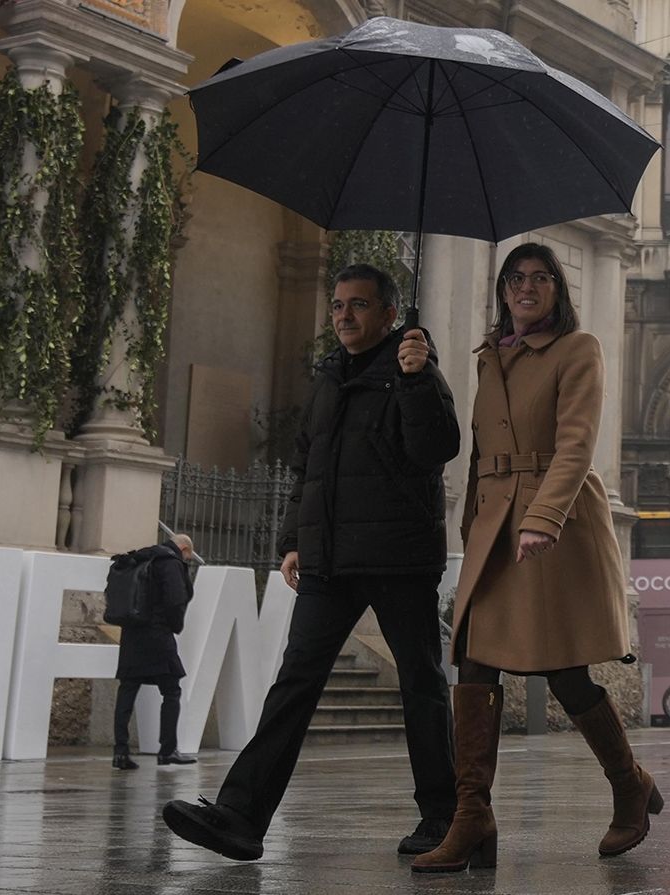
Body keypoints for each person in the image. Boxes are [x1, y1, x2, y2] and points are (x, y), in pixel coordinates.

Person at [162, 264, 462, 862]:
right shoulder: (329, 377)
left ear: (389, 314)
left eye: (358, 305)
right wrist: (294, 539)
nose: (344, 315)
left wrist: (415, 381)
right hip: (329, 559)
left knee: (421, 684)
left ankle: (445, 817)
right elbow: (308, 467)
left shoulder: (416, 370)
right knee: (294, 682)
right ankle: (241, 818)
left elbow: (436, 449)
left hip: (398, 557)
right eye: (338, 305)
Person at [411, 243, 655, 873]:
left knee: (563, 671)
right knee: (474, 662)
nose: (526, 287)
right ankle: (473, 816)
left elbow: (576, 445)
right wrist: (469, 527)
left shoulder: (578, 349)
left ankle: (628, 785)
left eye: (540, 277)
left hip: (553, 522)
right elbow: (478, 453)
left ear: (556, 290)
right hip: (494, 527)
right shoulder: (491, 357)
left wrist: (543, 519)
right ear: (502, 291)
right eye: (515, 278)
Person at [111, 533, 199, 770]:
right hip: (157, 635)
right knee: (171, 690)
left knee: (127, 690)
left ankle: (120, 752)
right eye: (188, 558)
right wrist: (175, 626)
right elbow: (175, 600)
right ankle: (167, 750)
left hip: (132, 634)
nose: (187, 561)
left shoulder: (143, 557)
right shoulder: (170, 562)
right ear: (184, 549)